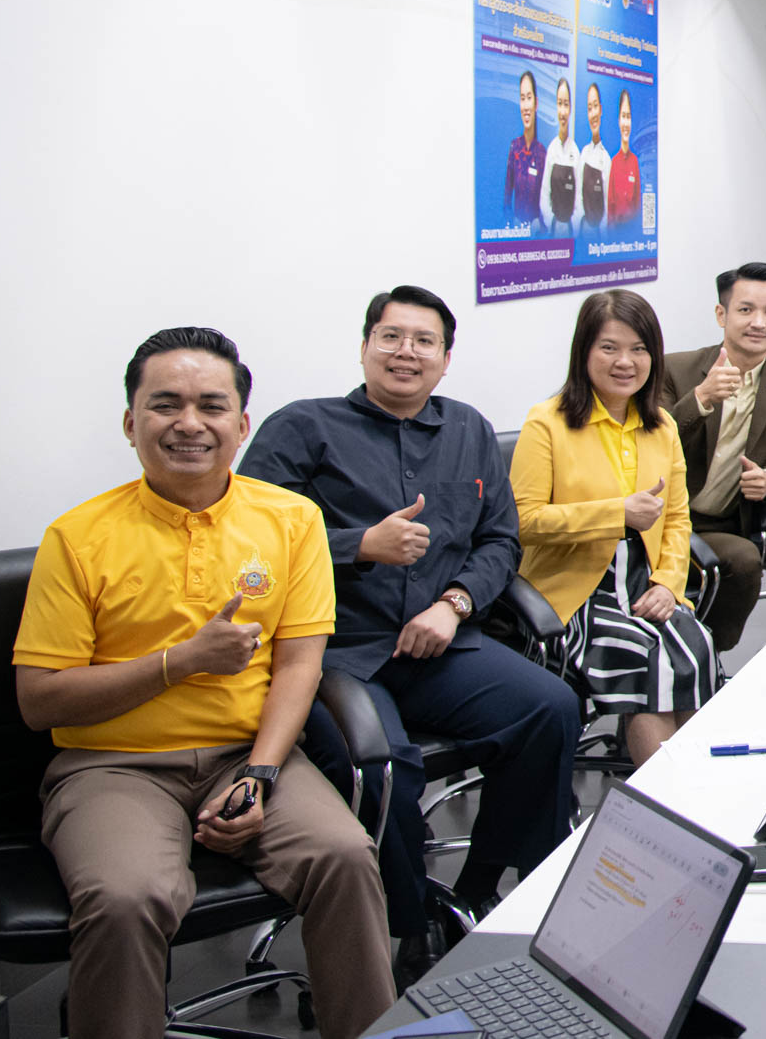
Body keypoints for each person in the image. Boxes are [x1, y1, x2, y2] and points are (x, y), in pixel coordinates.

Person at [15, 327, 395, 1039]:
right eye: (166, 404)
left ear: (242, 425)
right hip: (112, 766)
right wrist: (182, 661)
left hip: (247, 753)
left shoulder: (292, 521)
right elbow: (39, 702)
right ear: (130, 423)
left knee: (345, 857)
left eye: (211, 406)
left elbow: (299, 664)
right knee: (128, 896)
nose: (189, 423)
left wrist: (261, 773)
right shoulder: (77, 536)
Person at [240, 286, 579, 974]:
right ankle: (410, 919)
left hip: (437, 643)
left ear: (446, 359)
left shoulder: (468, 430)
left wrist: (455, 602)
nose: (407, 352)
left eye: (425, 342)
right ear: (365, 346)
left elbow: (499, 541)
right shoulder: (302, 428)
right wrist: (358, 546)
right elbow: (247, 543)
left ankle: (483, 886)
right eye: (391, 337)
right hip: (336, 652)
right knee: (382, 763)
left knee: (551, 708)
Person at [511, 290, 717, 767]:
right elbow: (522, 522)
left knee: (697, 645)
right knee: (647, 654)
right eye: (609, 347)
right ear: (583, 352)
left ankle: (693, 788)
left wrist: (668, 583)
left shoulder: (661, 425)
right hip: (575, 596)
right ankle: (662, 799)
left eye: (639, 349)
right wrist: (615, 513)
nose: (625, 362)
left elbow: (678, 518)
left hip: (643, 584)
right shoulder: (547, 423)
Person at [661, 263, 766, 655]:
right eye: (745, 310)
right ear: (722, 314)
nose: (759, 323)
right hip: (667, 515)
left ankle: (709, 654)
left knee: (744, 561)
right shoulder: (675, 370)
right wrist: (701, 399)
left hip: (727, 521)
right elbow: (652, 445)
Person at [504, 70, 545, 228]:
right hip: (517, 235)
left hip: (537, 238)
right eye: (522, 98)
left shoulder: (543, 154)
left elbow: (546, 204)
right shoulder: (514, 148)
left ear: (536, 104)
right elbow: (506, 201)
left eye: (529, 98)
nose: (526, 106)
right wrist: (512, 222)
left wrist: (539, 223)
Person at [540, 75, 579, 233]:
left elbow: (579, 199)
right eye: (559, 104)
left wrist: (571, 226)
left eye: (566, 104)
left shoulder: (575, 152)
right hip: (553, 231)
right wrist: (552, 223)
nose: (563, 112)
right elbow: (544, 194)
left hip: (571, 232)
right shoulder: (551, 150)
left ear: (570, 109)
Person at [577, 80, 609, 233]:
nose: (593, 113)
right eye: (589, 108)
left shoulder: (606, 159)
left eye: (595, 106)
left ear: (601, 110)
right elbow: (578, 196)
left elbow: (606, 205)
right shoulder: (583, 153)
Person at [608, 87, 642, 231]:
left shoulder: (635, 162)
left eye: (628, 117)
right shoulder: (613, 162)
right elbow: (610, 208)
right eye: (623, 116)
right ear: (618, 121)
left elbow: (638, 205)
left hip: (632, 234)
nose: (626, 123)